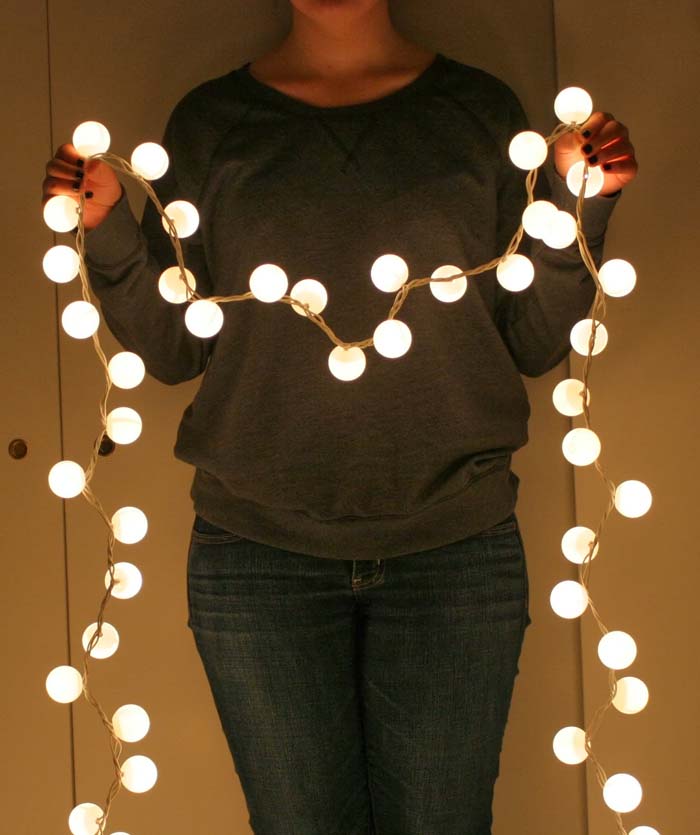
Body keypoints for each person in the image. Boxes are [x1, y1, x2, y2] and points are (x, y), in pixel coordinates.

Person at [42, 1, 638, 833]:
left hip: (454, 551)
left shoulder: (479, 114)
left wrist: (586, 204)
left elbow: (534, 340)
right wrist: (103, 229)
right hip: (257, 561)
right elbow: (177, 344)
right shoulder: (213, 123)